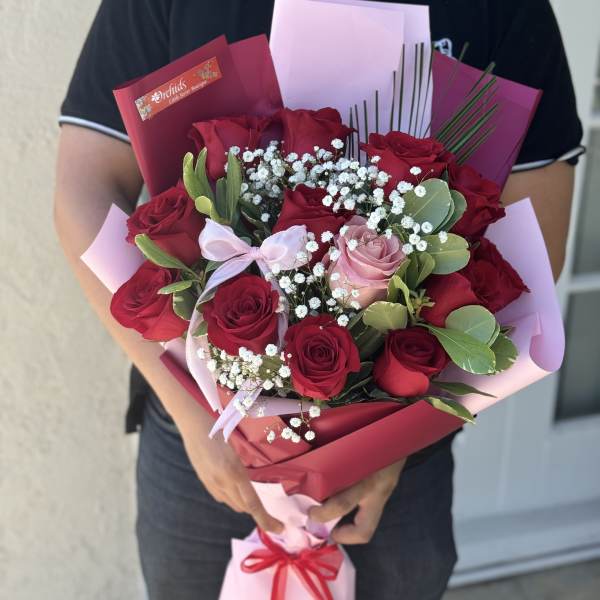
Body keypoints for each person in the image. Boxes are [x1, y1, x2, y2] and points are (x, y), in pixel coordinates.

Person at [54, 1, 583, 598]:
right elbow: (84, 189)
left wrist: (392, 446)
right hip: (202, 436)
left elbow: (535, 234)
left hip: (398, 458)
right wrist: (197, 416)